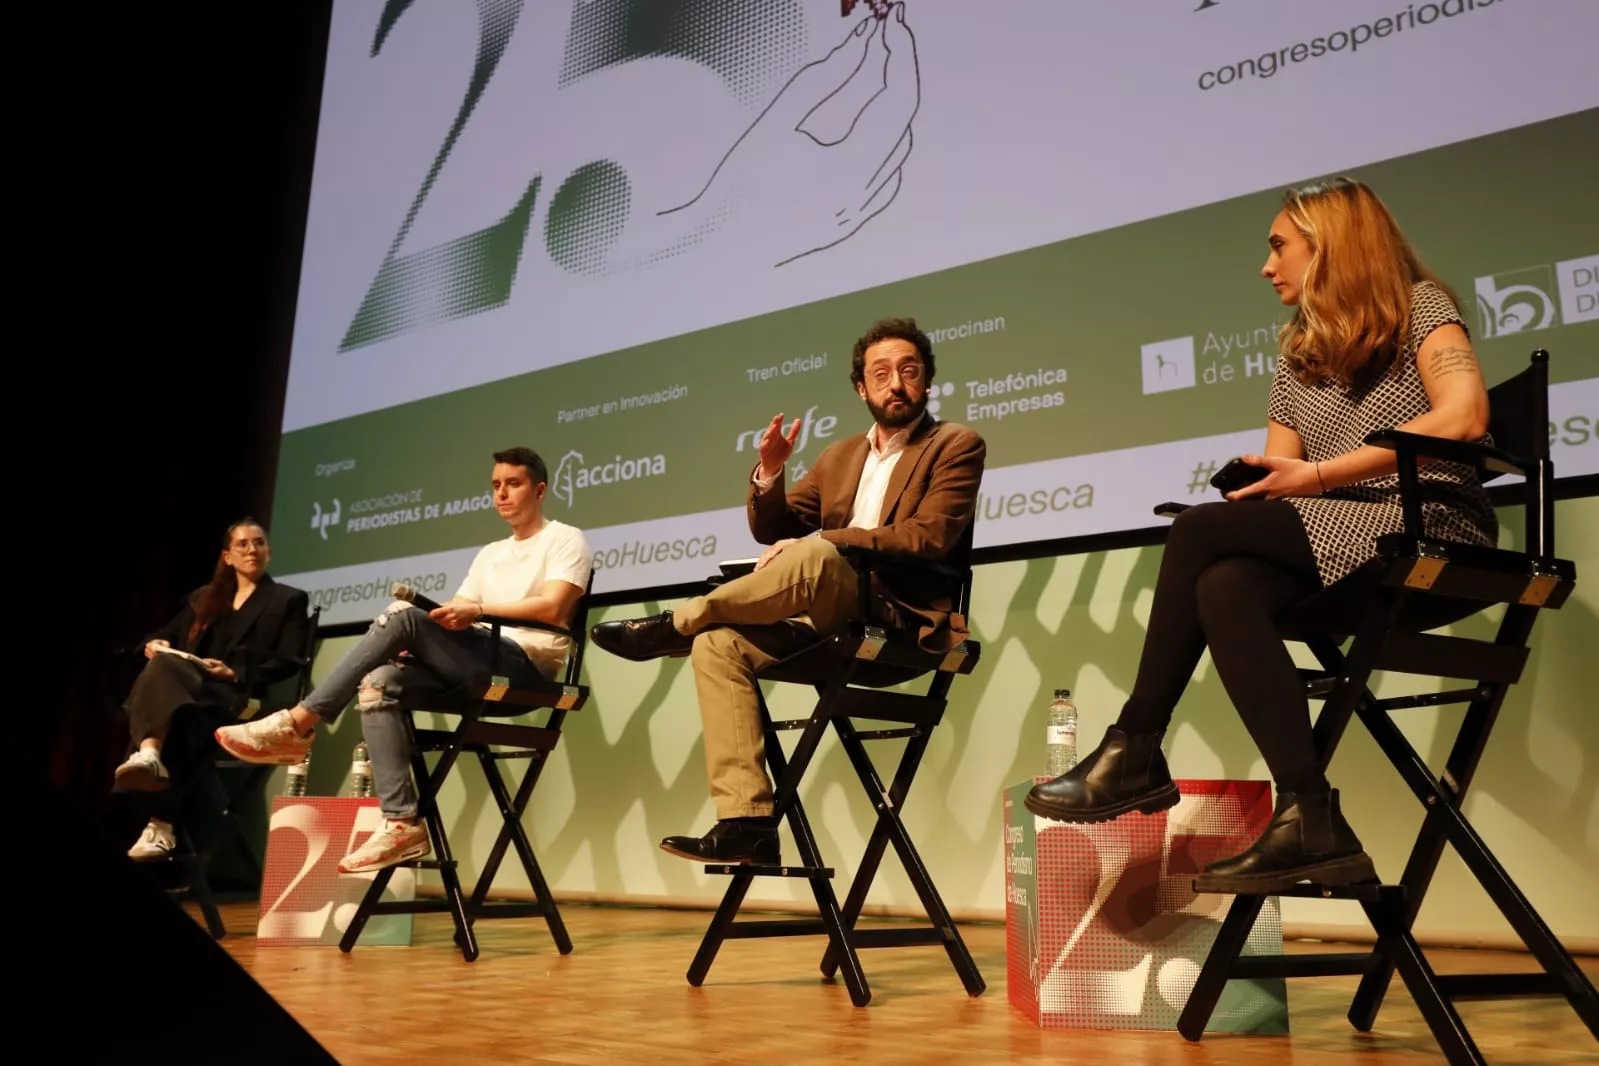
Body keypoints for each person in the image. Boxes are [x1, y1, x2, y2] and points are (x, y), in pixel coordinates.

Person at [1026, 177, 1497, 894]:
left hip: (1429, 527)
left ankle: (1135, 746)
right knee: (1224, 581)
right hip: (1346, 541)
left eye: (1279, 247)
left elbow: (1462, 418)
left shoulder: (1420, 309)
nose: (1265, 265)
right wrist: (1268, 485)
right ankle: (1309, 813)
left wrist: (1313, 478)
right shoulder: (1298, 355)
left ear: (1329, 246)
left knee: (1199, 533)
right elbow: (1277, 473)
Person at [591, 318, 986, 864]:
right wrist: (770, 472)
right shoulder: (839, 456)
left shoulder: (955, 444)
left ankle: (676, 623)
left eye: (909, 372)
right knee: (718, 646)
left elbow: (930, 535)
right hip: (831, 623)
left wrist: (827, 539)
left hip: (897, 622)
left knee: (817, 553)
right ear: (860, 387)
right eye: (881, 373)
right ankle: (746, 824)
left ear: (926, 382)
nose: (896, 383)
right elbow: (774, 530)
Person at [215, 447, 592, 873]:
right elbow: (460, 608)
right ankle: (401, 823)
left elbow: (554, 608)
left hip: (523, 668)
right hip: (476, 662)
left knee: (406, 619)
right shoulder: (490, 552)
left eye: (514, 484)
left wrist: (477, 612)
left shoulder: (565, 537)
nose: (502, 494)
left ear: (539, 489)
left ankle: (299, 723)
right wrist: (433, 633)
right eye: (496, 486)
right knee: (380, 679)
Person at [115, 519, 310, 861]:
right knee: (163, 667)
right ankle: (152, 777)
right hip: (191, 689)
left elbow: (290, 659)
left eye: (259, 543)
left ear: (269, 551)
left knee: (180, 713)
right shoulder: (204, 598)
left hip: (237, 694)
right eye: (243, 544)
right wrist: (152, 643)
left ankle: (155, 801)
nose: (252, 550)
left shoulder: (287, 599)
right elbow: (164, 634)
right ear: (227, 556)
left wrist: (235, 672)